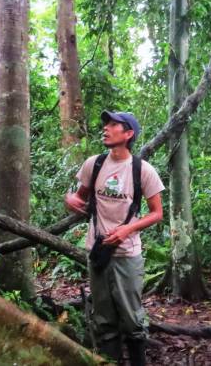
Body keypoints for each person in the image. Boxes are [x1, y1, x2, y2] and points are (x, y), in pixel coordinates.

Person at [64, 111, 164, 366]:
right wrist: (70, 199)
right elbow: (79, 196)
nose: (106, 129)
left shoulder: (143, 170)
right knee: (104, 318)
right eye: (105, 125)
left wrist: (126, 229)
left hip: (127, 254)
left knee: (132, 318)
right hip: (97, 251)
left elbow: (157, 214)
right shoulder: (94, 164)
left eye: (113, 125)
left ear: (128, 134)